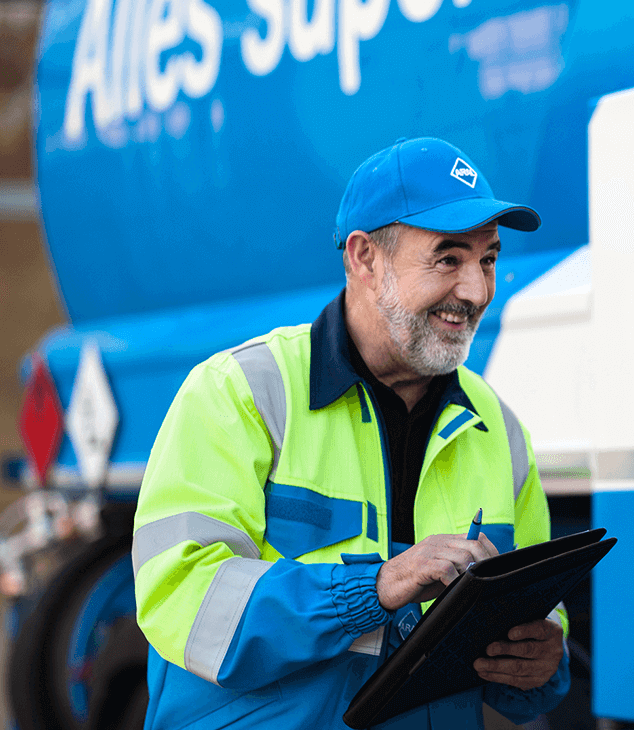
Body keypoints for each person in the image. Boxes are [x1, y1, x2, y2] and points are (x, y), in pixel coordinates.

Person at [130, 137, 569, 729]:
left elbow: (537, 611)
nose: (477, 291)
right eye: (448, 258)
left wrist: (543, 658)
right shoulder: (240, 390)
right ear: (364, 258)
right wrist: (377, 585)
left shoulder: (500, 428)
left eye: (488, 260)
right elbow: (181, 595)